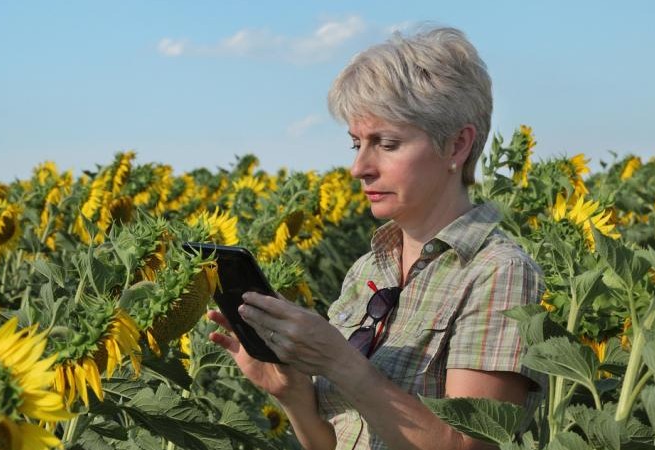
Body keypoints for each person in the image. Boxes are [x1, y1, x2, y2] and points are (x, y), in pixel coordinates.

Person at [207, 26, 544, 450]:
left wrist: (340, 361)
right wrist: (291, 393)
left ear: (457, 145)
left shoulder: (497, 272)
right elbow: (331, 442)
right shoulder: (369, 268)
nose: (360, 167)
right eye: (356, 144)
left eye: (385, 143)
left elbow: (468, 444)